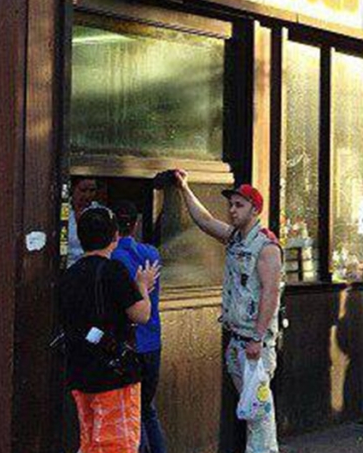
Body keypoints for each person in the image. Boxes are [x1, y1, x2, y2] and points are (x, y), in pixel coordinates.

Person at [174, 171, 283, 453]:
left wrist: (257, 338)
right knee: (251, 409)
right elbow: (206, 221)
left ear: (255, 210)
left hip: (255, 345)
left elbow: (271, 293)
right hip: (237, 340)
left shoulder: (266, 247)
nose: (232, 210)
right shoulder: (235, 238)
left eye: (239, 205)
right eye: (231, 205)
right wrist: (184, 188)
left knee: (259, 413)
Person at [59, 206, 159, 453]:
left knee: (90, 441)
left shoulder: (69, 275)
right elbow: (141, 314)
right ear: (115, 236)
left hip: (80, 369)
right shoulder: (113, 270)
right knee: (118, 443)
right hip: (114, 372)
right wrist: (143, 286)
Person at [110, 201, 166, 453]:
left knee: (131, 412)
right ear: (135, 224)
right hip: (152, 341)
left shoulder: (113, 259)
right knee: (147, 410)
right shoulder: (151, 253)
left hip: (130, 343)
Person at [66, 177, 100, 267]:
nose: (88, 195)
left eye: (92, 190)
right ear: (72, 189)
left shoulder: (101, 213)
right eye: (83, 190)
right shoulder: (62, 210)